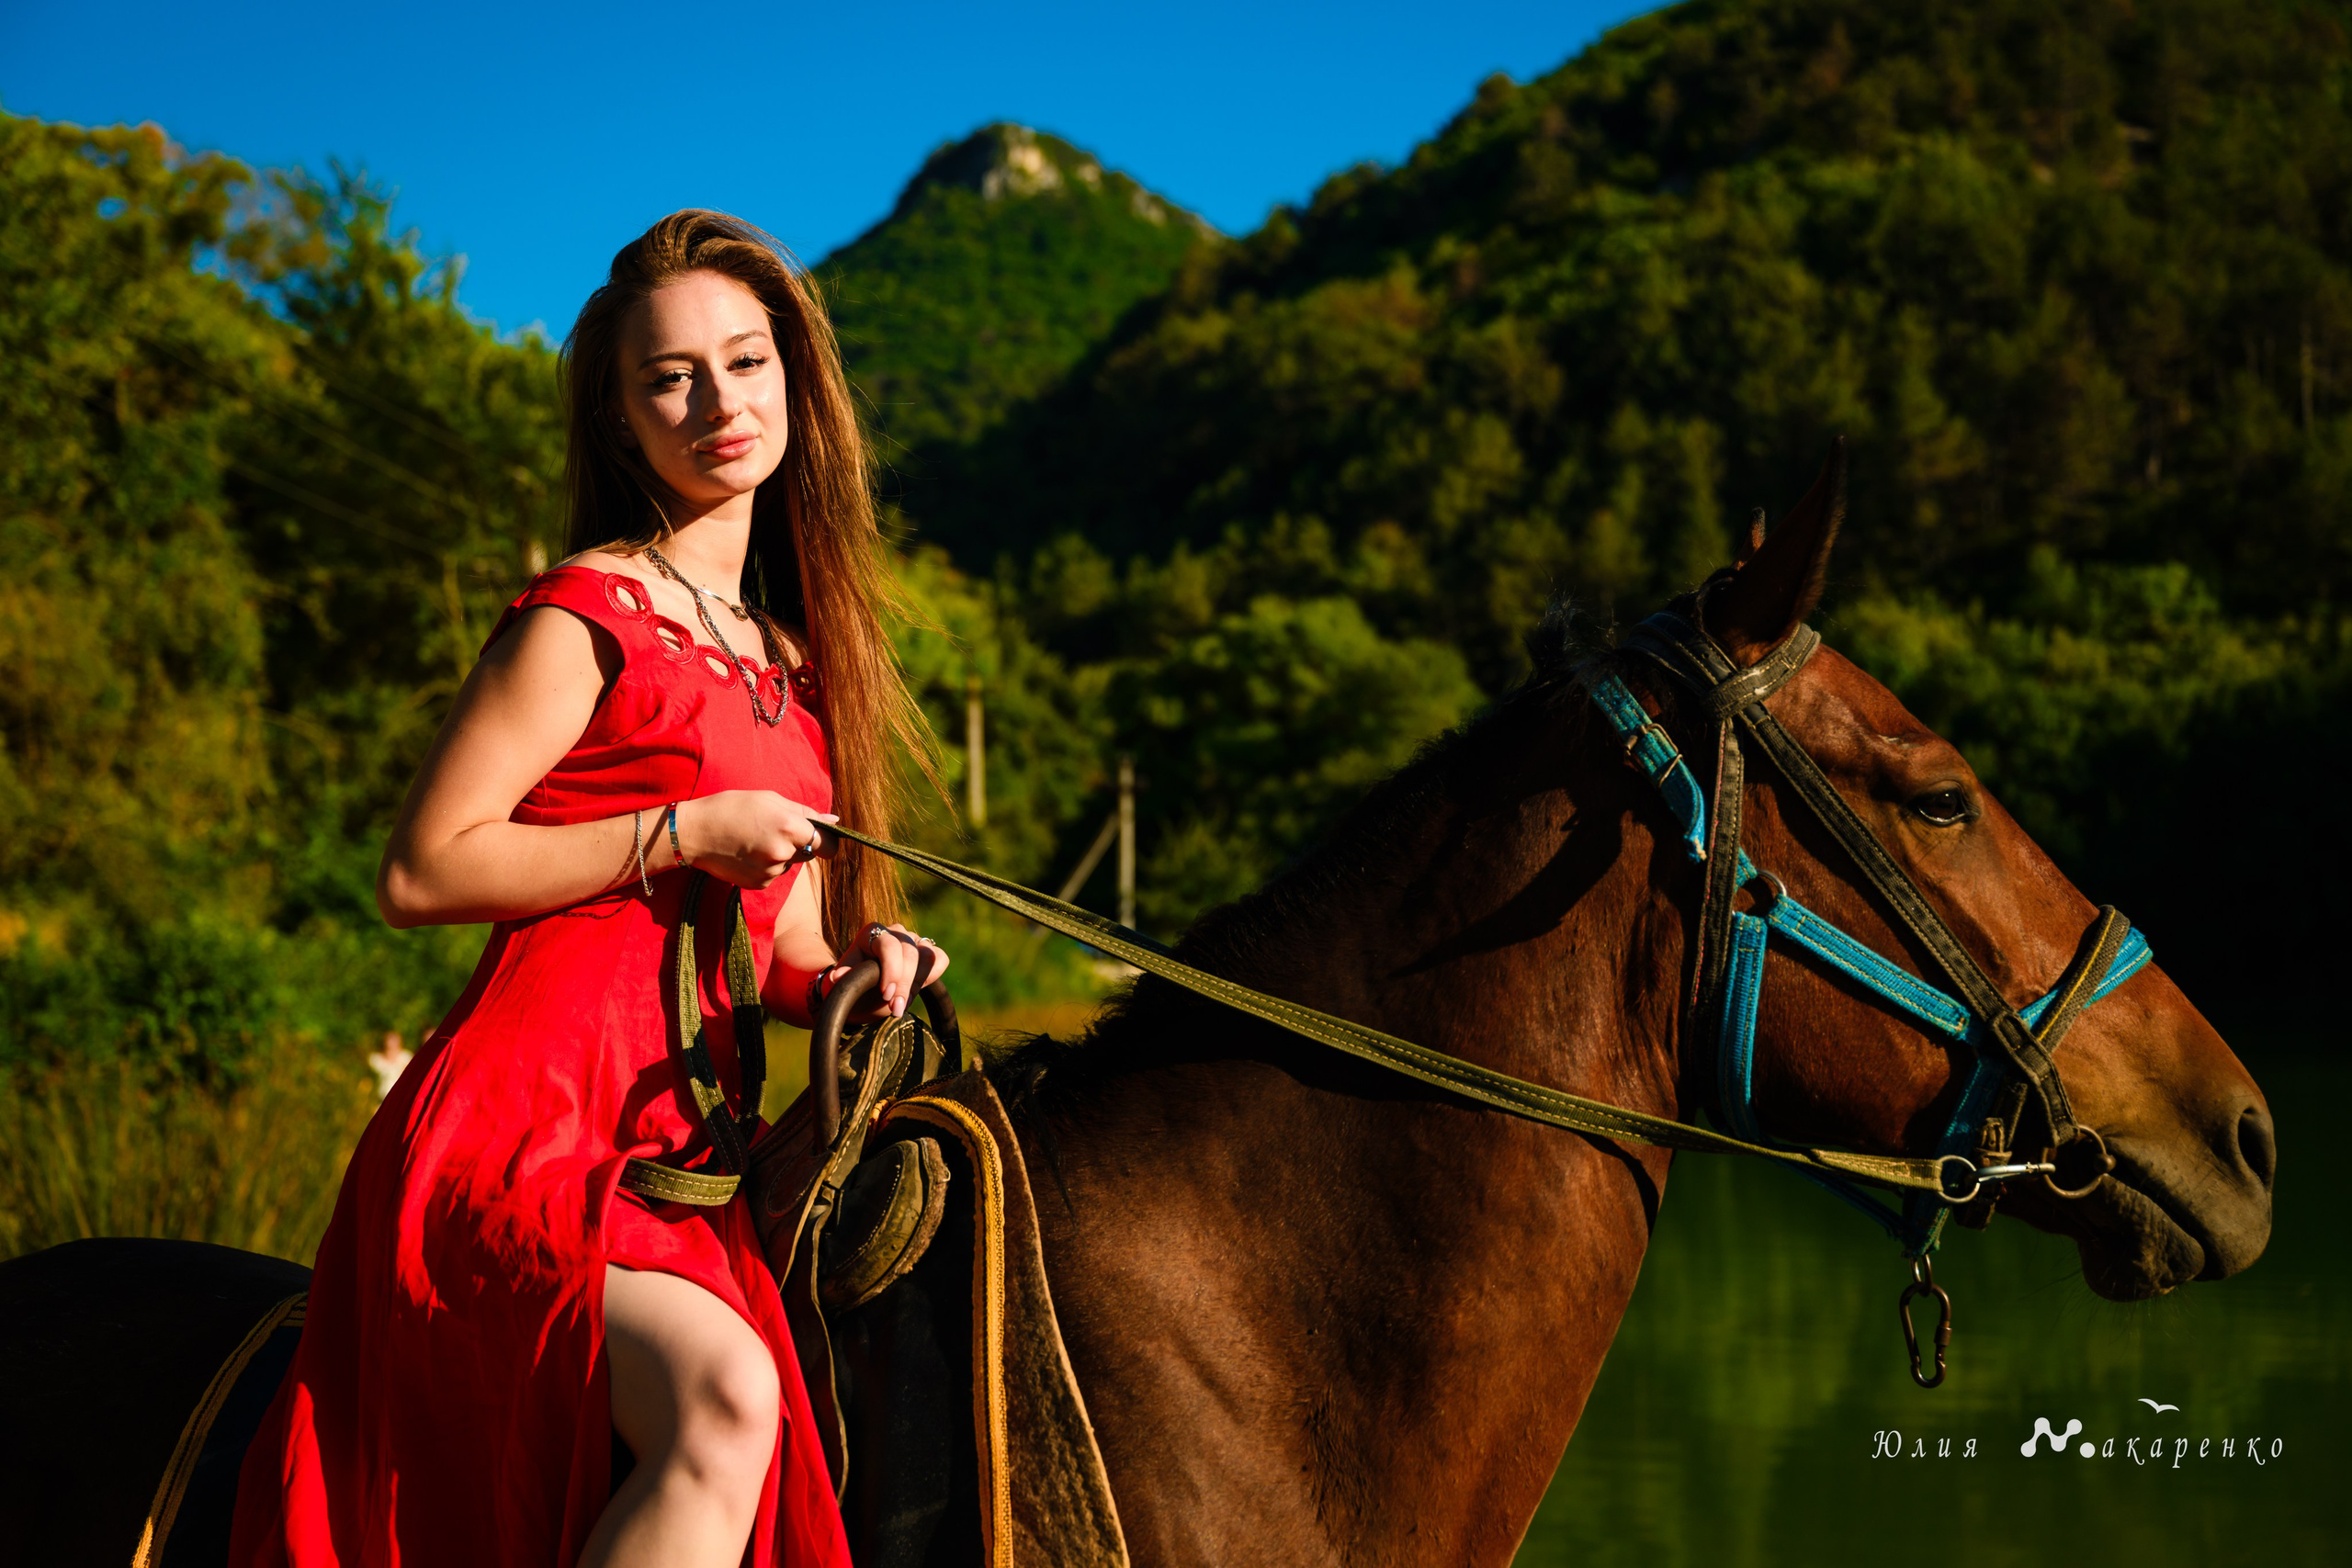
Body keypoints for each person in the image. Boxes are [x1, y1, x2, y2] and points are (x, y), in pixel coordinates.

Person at [231, 209, 948, 1568]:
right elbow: (422, 866)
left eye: (746, 362)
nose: (719, 402)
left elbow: (782, 948)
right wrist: (683, 831)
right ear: (623, 419)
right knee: (724, 1405)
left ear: (794, 380)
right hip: (520, 1139)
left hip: (686, 1166)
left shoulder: (796, 664)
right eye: (671, 377)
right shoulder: (587, 612)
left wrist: (861, 975)